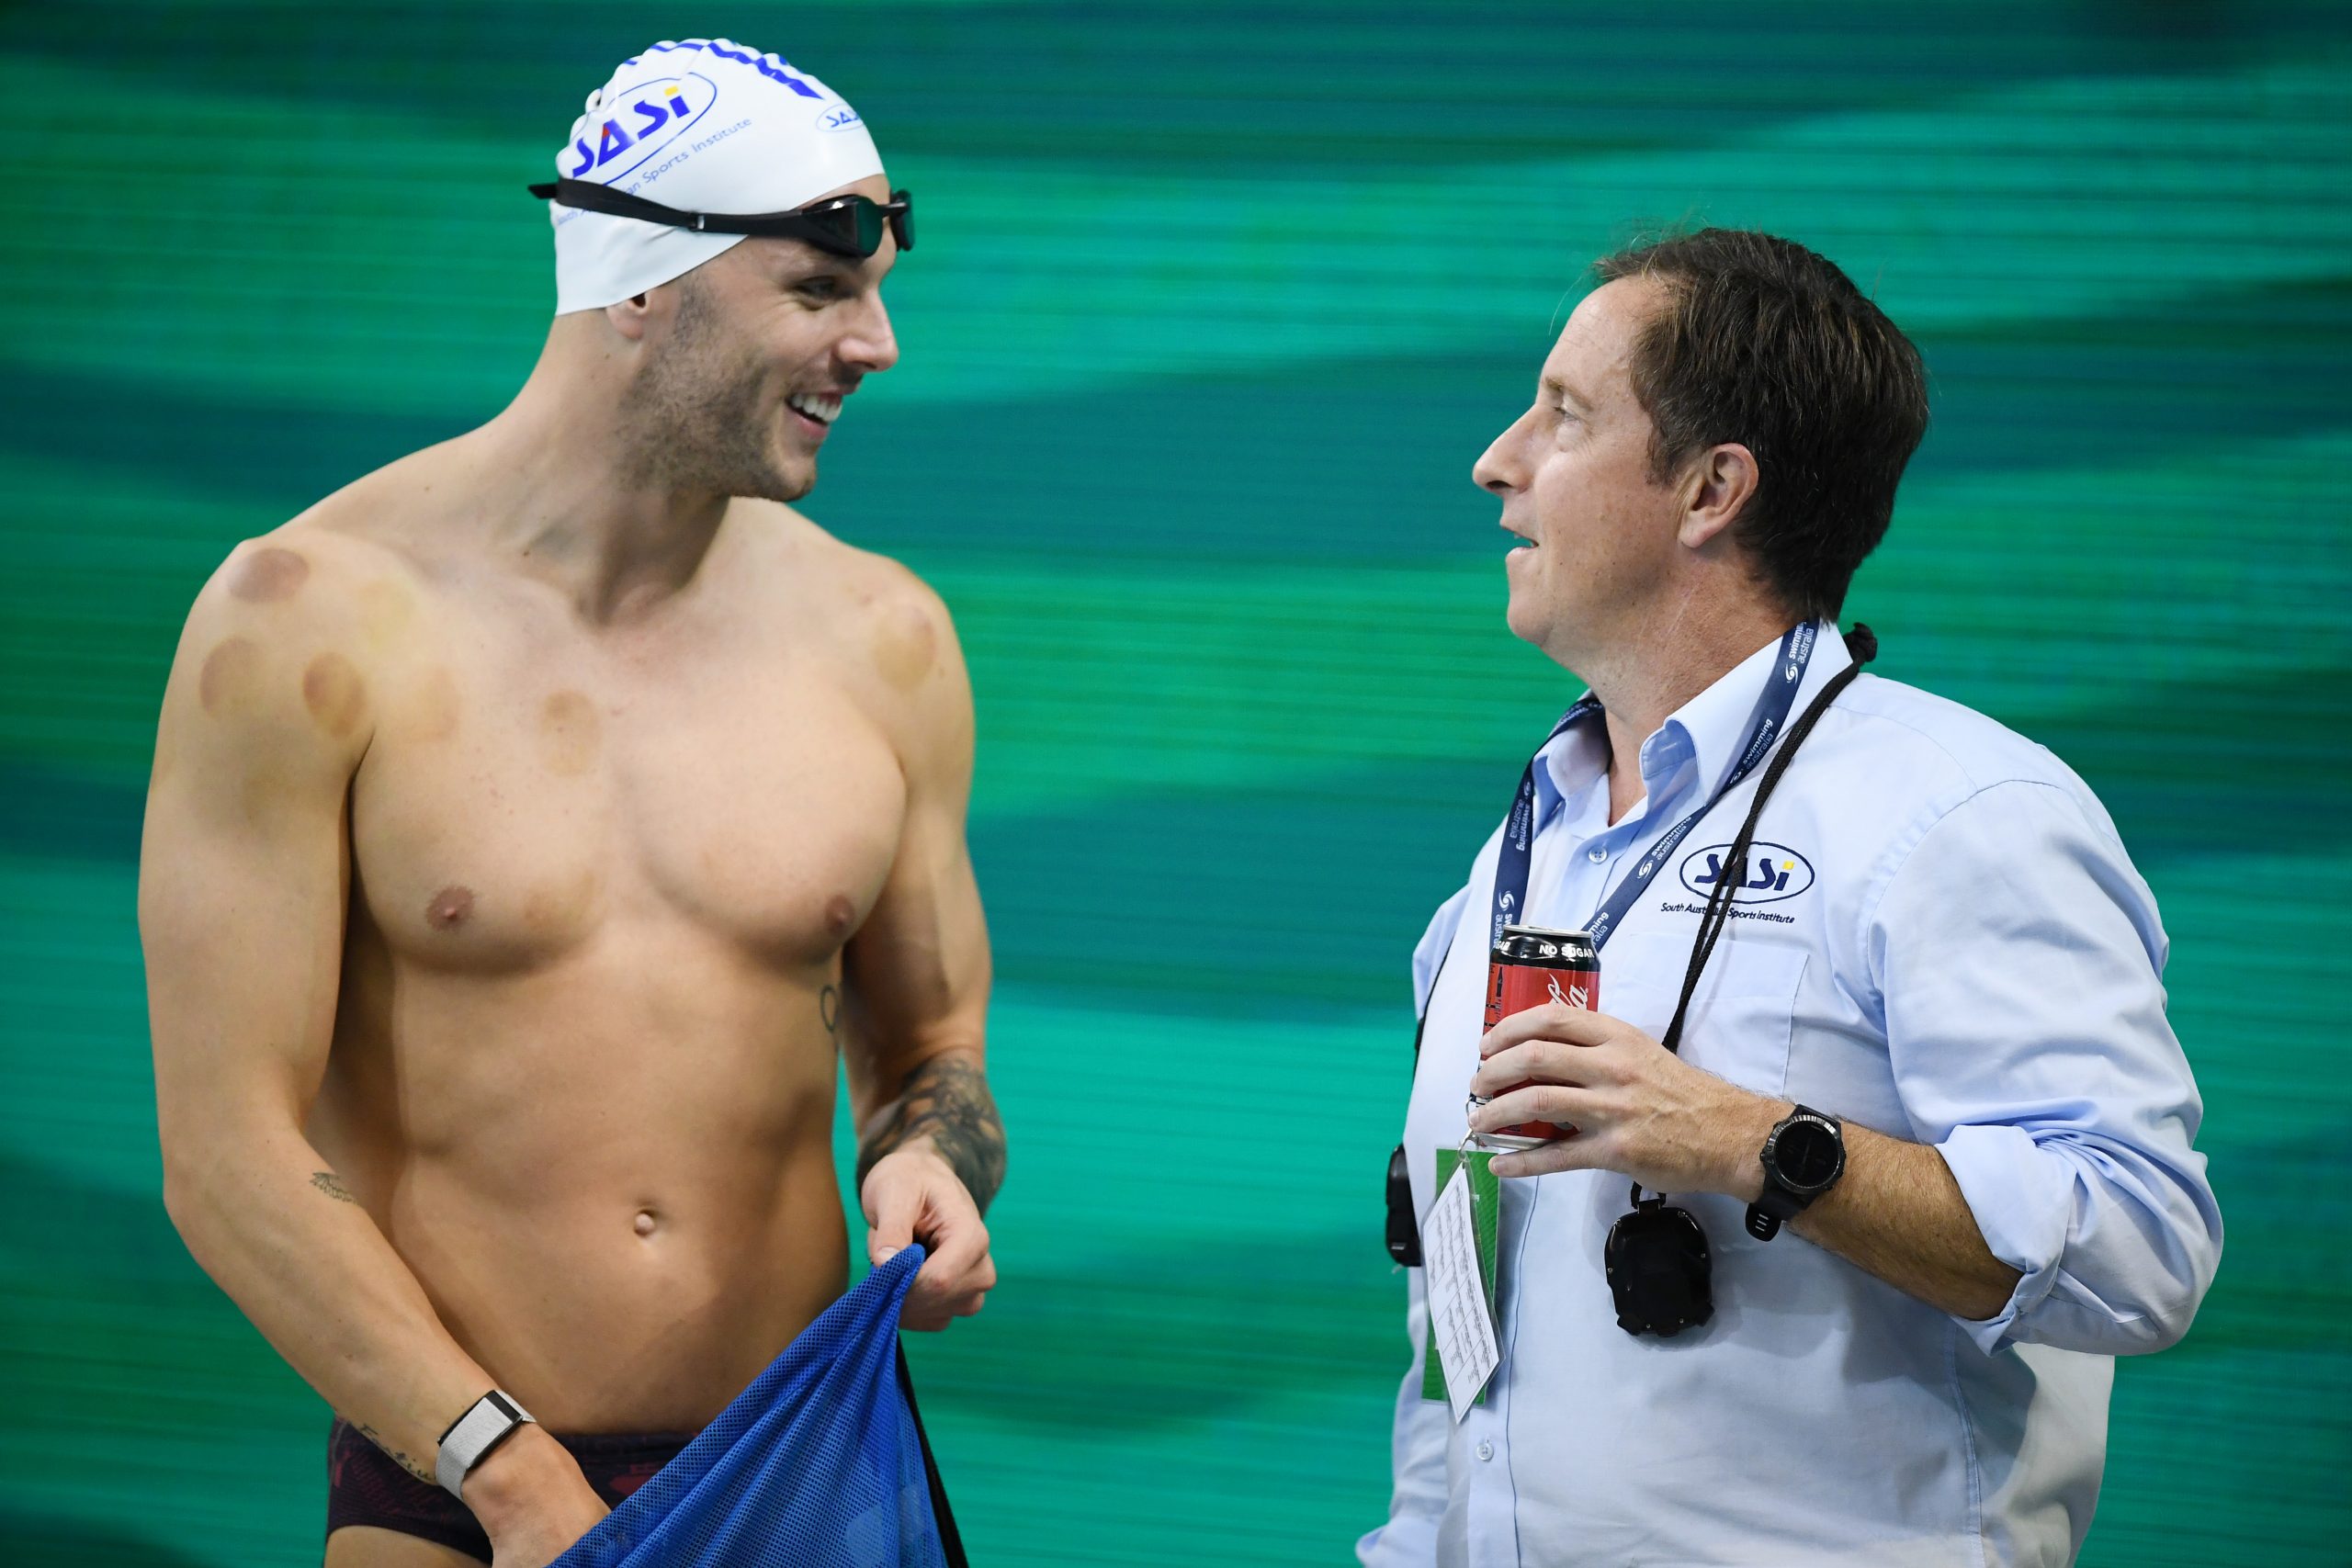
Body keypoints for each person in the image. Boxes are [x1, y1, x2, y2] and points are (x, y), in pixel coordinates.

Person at [138, 39, 1002, 1568]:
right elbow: (227, 1154)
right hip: (458, 1488)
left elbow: (928, 1042)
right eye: (819, 290)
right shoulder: (305, 625)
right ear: (640, 286)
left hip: (804, 1458)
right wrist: (509, 1476)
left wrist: (923, 1159)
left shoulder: (889, 642)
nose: (876, 345)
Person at [1359, 229, 2221, 1568]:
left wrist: (1756, 1144)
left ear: (1711, 490)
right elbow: (1461, 1326)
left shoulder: (1960, 815)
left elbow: (2142, 1249)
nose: (1499, 459)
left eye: (1565, 413)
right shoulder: (1521, 850)